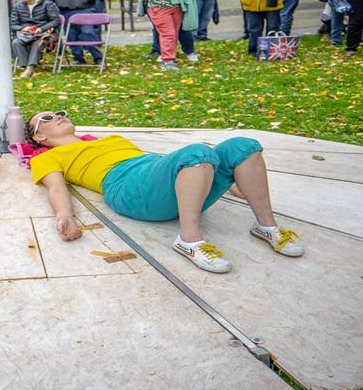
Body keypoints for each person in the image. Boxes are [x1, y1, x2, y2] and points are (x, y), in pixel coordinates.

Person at [25, 110, 303, 274]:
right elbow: (57, 188)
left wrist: (229, 181)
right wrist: (64, 214)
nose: (59, 117)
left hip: (153, 172)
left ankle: (267, 227)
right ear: (39, 137)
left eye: (61, 113)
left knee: (243, 145)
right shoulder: (45, 158)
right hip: (126, 187)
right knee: (197, 152)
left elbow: (164, 165)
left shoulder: (111, 140)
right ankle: (189, 241)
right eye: (47, 118)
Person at [141, 0, 186, 71]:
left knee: (174, 34)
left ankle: (171, 58)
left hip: (176, 8)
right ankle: (167, 61)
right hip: (159, 9)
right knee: (168, 33)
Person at [10, 0, 61, 79]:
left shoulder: (47, 4)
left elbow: (56, 21)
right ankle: (26, 66)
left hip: (45, 34)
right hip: (26, 34)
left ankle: (30, 68)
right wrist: (23, 28)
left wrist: (41, 29)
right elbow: (13, 24)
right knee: (16, 42)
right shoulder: (18, 6)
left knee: (38, 43)